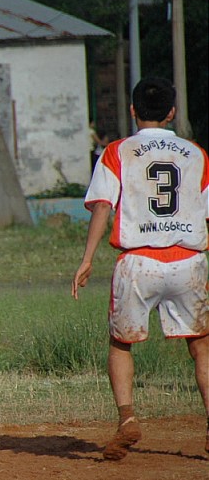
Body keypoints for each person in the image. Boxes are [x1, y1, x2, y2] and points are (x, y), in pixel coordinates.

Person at [72, 77, 209, 460]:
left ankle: (128, 418)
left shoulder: (117, 151)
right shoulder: (196, 154)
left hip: (137, 262)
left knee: (121, 343)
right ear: (172, 112)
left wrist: (87, 259)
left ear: (133, 111)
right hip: (188, 261)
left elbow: (103, 206)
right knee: (201, 346)